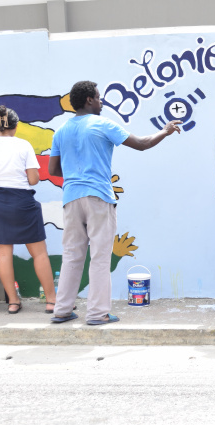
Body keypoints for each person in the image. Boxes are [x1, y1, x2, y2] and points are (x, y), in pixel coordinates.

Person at [48, 81, 181, 325]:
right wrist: (165, 131)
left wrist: (76, 172)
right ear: (89, 99)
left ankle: (62, 310)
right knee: (100, 256)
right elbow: (142, 143)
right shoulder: (103, 124)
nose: (101, 102)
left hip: (70, 198)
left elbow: (54, 168)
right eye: (98, 97)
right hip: (98, 196)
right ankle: (98, 314)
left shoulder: (61, 131)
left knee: (71, 255)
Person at [0, 105, 56, 314]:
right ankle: (52, 301)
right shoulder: (24, 145)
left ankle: (13, 302)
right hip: (22, 202)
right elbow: (33, 180)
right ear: (16, 126)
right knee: (39, 253)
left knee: (4, 254)